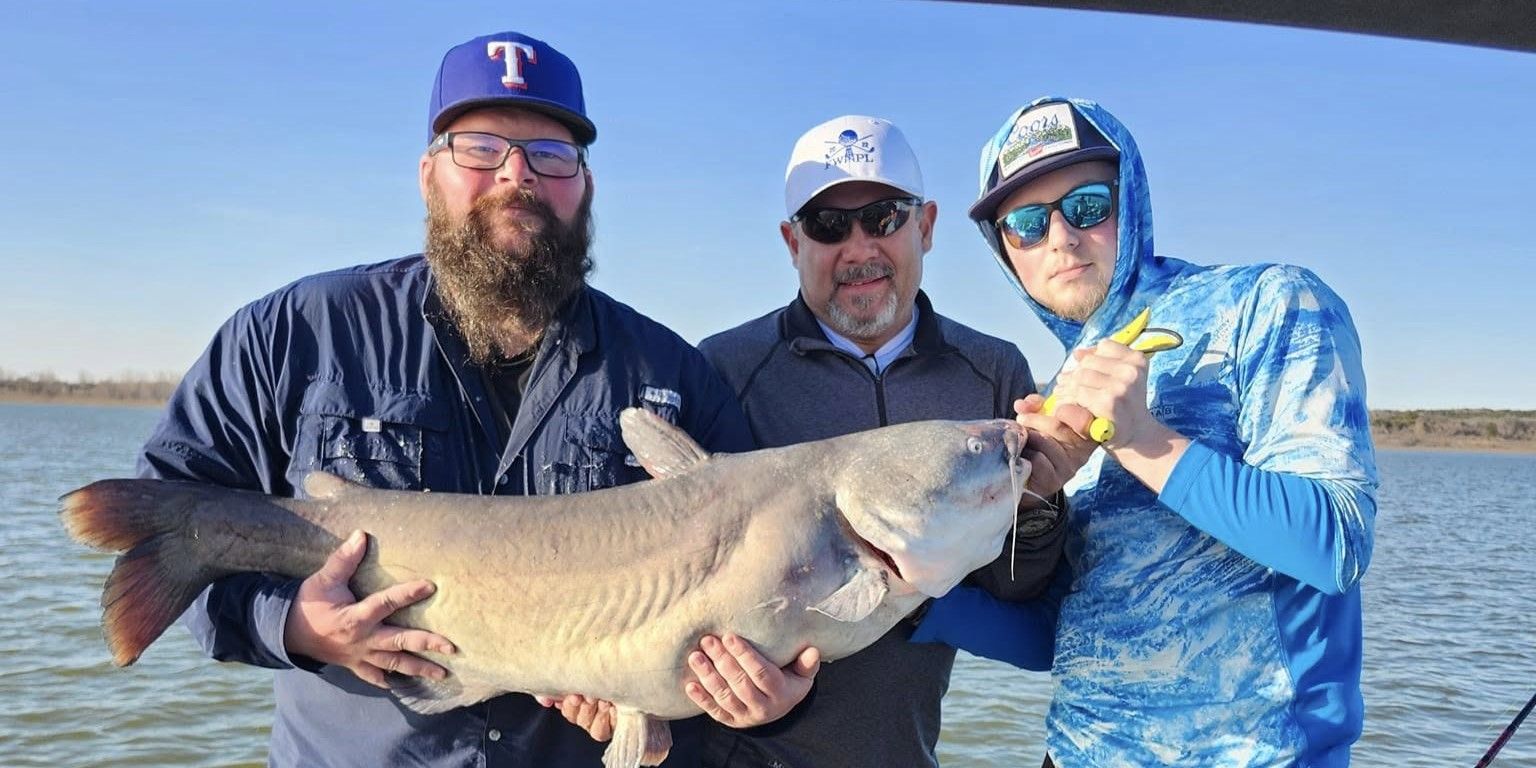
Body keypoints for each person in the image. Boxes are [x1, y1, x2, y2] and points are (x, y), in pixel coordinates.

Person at [135, 31, 753, 768]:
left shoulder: (675, 374)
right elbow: (170, 522)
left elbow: (750, 610)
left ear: (585, 185)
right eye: (481, 148)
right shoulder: (293, 333)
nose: (517, 175)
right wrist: (294, 624)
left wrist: (686, 688)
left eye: (550, 154)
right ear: (429, 174)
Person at [912, 97, 1380, 767]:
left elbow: (1335, 543)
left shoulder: (1270, 303)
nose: (1060, 238)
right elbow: (1061, 636)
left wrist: (1141, 440)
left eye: (1086, 206)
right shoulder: (1062, 388)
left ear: (1129, 200)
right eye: (1026, 224)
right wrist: (918, 598)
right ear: (1005, 250)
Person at [680, 115, 1092, 768]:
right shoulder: (722, 369)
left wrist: (1039, 504)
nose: (858, 248)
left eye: (883, 218)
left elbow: (1015, 594)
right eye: (828, 225)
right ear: (792, 241)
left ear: (925, 226)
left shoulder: (992, 372)